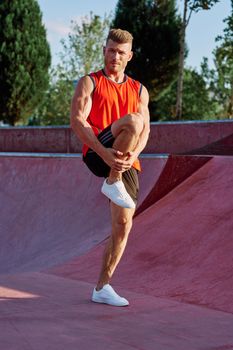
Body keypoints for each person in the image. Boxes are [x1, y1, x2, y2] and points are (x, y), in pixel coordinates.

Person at [70, 28, 150, 306]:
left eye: (121, 52)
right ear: (104, 51)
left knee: (123, 224)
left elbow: (147, 132)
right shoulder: (90, 82)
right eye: (110, 50)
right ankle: (112, 179)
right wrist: (104, 153)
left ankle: (102, 287)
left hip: (126, 159)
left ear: (130, 56)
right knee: (133, 121)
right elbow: (78, 121)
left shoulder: (139, 89)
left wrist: (133, 155)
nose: (115, 56)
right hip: (97, 150)